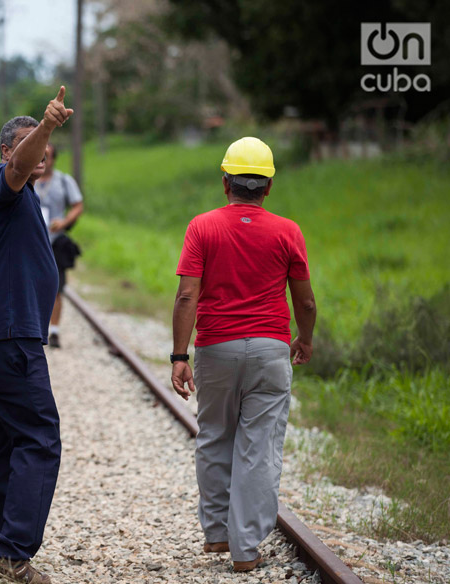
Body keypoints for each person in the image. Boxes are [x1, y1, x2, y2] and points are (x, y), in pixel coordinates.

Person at [170, 137, 317, 572]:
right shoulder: (288, 231)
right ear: (268, 186)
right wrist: (304, 339)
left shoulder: (202, 227)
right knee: (260, 445)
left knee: (214, 433)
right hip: (272, 349)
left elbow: (185, 296)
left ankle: (216, 533)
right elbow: (305, 303)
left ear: (225, 182)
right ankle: (245, 548)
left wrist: (180, 354)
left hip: (216, 347)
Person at [0, 86, 74, 583]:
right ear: (8, 151)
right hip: (5, 338)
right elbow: (18, 168)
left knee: (2, 442)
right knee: (40, 438)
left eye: (43, 145)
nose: (40, 153)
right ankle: (11, 551)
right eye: (28, 145)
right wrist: (45, 127)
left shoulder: (26, 197)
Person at [34, 142, 84, 348]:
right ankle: (34, 329)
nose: (43, 160)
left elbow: (78, 205)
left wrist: (64, 222)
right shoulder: (28, 178)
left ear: (54, 159)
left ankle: (53, 331)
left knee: (56, 288)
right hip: (32, 242)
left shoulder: (64, 181)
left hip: (55, 241)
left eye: (47, 156)